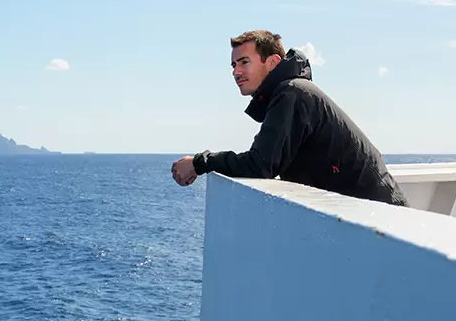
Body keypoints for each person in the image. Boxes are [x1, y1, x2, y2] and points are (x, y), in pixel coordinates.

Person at [171, 30, 406, 205]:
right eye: (233, 65)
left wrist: (199, 162)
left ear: (272, 62)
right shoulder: (290, 92)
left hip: (380, 215)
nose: (236, 72)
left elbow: (260, 165)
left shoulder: (292, 93)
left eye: (244, 62)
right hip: (366, 211)